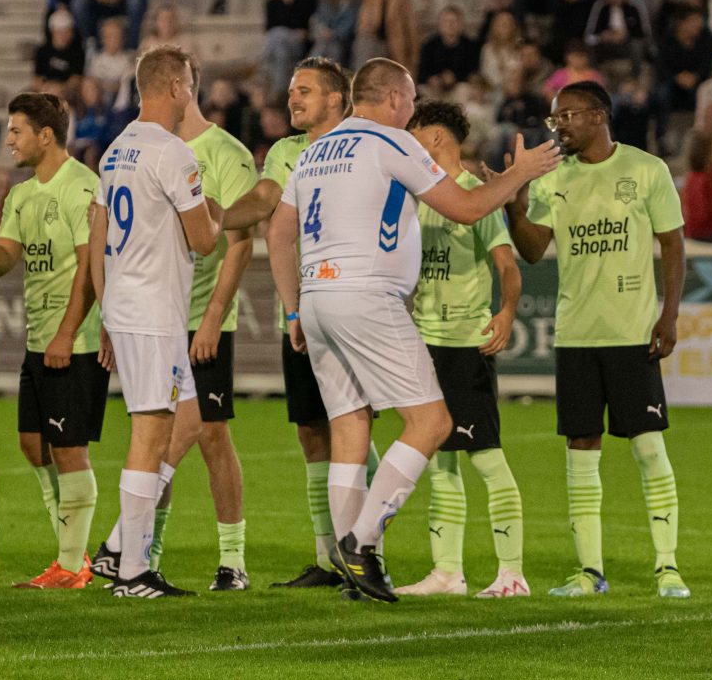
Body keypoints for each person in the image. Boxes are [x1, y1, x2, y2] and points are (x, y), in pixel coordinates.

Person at [268, 59, 555, 602]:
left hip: (318, 298)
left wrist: (292, 309)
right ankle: (363, 542)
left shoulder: (313, 153)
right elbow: (467, 208)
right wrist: (521, 174)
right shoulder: (392, 143)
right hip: (368, 294)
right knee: (431, 421)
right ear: (397, 97)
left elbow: (279, 232)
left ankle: (352, 571)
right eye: (412, 96)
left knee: (349, 430)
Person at [504, 81, 690, 598]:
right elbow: (534, 250)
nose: (558, 125)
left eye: (567, 115)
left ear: (599, 115)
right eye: (553, 118)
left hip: (631, 332)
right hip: (576, 334)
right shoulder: (551, 179)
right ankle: (589, 571)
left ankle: (668, 566)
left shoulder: (646, 169)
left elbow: (673, 245)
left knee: (649, 448)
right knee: (580, 449)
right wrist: (517, 202)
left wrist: (668, 315)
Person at [87, 49, 226, 599]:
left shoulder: (116, 149)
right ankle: (134, 573)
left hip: (128, 303)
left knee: (186, 422)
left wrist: (105, 308)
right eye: (190, 83)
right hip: (153, 312)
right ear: (174, 86)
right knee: (150, 433)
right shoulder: (174, 153)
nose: (193, 92)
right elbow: (205, 239)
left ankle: (120, 544)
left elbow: (99, 238)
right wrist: (216, 208)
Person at [218, 60, 361, 587]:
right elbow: (262, 201)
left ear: (337, 99)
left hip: (350, 307)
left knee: (353, 426)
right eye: (291, 90)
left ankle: (363, 553)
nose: (292, 99)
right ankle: (328, 559)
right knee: (309, 429)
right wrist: (211, 216)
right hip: (301, 311)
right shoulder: (285, 152)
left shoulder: (361, 144)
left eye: (305, 91)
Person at [134, 77, 265, 591]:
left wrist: (213, 316)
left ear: (182, 89)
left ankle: (231, 561)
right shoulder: (149, 147)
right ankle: (146, 554)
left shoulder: (225, 152)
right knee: (156, 433)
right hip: (156, 316)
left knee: (209, 435)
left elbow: (239, 243)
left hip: (198, 320)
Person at [397, 99, 529, 599]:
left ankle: (512, 574)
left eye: (413, 133)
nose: (406, 142)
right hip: (424, 340)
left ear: (435, 139)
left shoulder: (476, 195)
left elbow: (508, 266)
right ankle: (447, 573)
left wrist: (507, 312)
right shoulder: (420, 197)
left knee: (486, 457)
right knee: (440, 460)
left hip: (463, 345)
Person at [0, 94, 104, 589]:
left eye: (16, 131)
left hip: (73, 342)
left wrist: (68, 332)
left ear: (45, 135)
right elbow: (3, 260)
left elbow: (90, 270)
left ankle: (71, 567)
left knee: (69, 449)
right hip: (39, 340)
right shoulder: (23, 194)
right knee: (34, 445)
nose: (8, 139)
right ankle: (75, 554)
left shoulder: (82, 187)